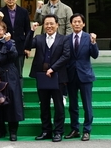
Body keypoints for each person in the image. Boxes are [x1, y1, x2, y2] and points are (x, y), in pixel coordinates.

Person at [25, 14, 70, 142]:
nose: (49, 26)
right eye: (46, 24)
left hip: (58, 76)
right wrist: (32, 30)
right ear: (43, 26)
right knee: (43, 105)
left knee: (58, 106)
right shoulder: (39, 38)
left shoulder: (64, 39)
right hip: (42, 76)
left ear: (57, 25)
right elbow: (27, 45)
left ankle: (58, 132)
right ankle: (46, 131)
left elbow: (66, 56)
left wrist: (53, 68)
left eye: (51, 23)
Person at [0, 20, 24, 141]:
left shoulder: (10, 42)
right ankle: (0, 130)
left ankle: (13, 132)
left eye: (0, 30)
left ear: (4, 31)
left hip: (10, 75)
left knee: (12, 104)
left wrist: (7, 43)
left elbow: (14, 56)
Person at [64, 13, 99, 142]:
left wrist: (94, 43)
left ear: (83, 24)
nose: (77, 24)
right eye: (74, 22)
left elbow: (95, 55)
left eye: (79, 22)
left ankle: (87, 130)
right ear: (71, 24)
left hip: (85, 76)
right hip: (71, 75)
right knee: (73, 105)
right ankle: (75, 129)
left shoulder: (89, 37)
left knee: (87, 105)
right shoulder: (66, 39)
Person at [0, 0, 31, 88]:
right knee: (6, 72)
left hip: (20, 46)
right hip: (5, 47)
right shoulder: (0, 12)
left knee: (19, 73)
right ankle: (8, 98)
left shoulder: (23, 11)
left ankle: (19, 99)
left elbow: (28, 30)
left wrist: (28, 47)